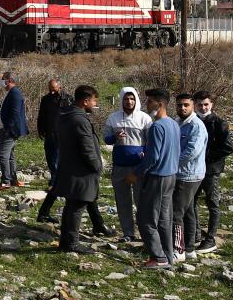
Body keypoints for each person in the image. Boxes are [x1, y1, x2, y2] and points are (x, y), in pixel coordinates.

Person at [128, 88, 181, 269]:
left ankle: (158, 258)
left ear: (159, 104)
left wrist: (135, 173)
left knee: (146, 219)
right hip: (171, 176)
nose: (147, 104)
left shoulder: (157, 126)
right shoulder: (173, 123)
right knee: (164, 219)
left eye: (149, 101)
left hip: (158, 178)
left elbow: (153, 158)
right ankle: (168, 256)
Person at [56, 86, 104, 253]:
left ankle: (65, 241)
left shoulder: (66, 115)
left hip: (70, 167)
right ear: (85, 101)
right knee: (76, 207)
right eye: (94, 100)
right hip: (81, 170)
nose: (95, 103)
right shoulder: (80, 120)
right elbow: (87, 148)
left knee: (71, 205)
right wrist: (97, 166)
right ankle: (71, 243)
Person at [103, 87, 152, 241]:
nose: (129, 101)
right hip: (119, 166)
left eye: (132, 98)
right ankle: (128, 233)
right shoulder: (113, 118)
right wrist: (114, 136)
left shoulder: (145, 118)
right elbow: (106, 139)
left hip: (138, 167)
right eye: (126, 98)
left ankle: (145, 233)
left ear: (136, 100)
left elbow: (151, 142)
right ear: (121, 100)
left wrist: (144, 153)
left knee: (141, 201)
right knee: (123, 201)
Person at [191, 90, 232, 254]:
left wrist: (206, 156)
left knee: (212, 203)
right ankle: (196, 233)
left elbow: (228, 147)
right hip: (194, 169)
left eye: (206, 104)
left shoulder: (219, 123)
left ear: (211, 105)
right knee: (190, 201)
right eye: (200, 104)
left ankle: (210, 238)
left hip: (211, 170)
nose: (203, 107)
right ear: (195, 105)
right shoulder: (191, 121)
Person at [170, 93, 207, 262]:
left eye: (186, 105)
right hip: (181, 173)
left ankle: (178, 249)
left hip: (189, 174)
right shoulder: (177, 122)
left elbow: (192, 151)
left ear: (192, 106)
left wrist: (171, 163)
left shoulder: (196, 125)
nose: (182, 108)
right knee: (188, 211)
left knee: (176, 212)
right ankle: (190, 249)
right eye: (179, 105)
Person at [35, 78, 73, 221]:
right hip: (50, 133)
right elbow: (41, 115)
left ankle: (58, 182)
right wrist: (40, 129)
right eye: (49, 88)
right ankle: (54, 180)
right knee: (51, 158)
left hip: (62, 135)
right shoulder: (45, 99)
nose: (51, 90)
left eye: (54, 88)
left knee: (60, 159)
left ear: (59, 86)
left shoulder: (67, 99)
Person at [0, 71, 29, 191]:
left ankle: (6, 181)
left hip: (9, 131)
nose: (1, 81)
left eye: (3, 79)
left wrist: (7, 129)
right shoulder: (11, 93)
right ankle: (12, 179)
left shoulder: (15, 93)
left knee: (3, 154)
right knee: (9, 155)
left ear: (9, 80)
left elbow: (14, 114)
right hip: (6, 129)